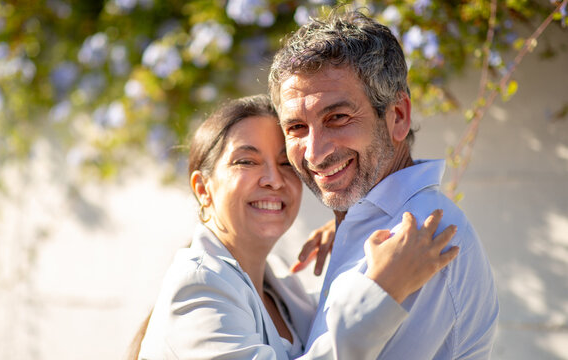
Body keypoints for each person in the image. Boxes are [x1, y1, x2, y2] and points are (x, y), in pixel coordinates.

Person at [136, 94, 459, 359]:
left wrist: (354, 227)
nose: (274, 180)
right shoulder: (198, 287)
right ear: (203, 189)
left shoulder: (283, 291)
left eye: (285, 164)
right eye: (246, 161)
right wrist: (382, 291)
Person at [268, 9, 499, 359]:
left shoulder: (420, 238)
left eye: (338, 117)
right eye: (296, 127)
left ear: (398, 117)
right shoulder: (369, 224)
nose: (314, 153)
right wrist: (346, 226)